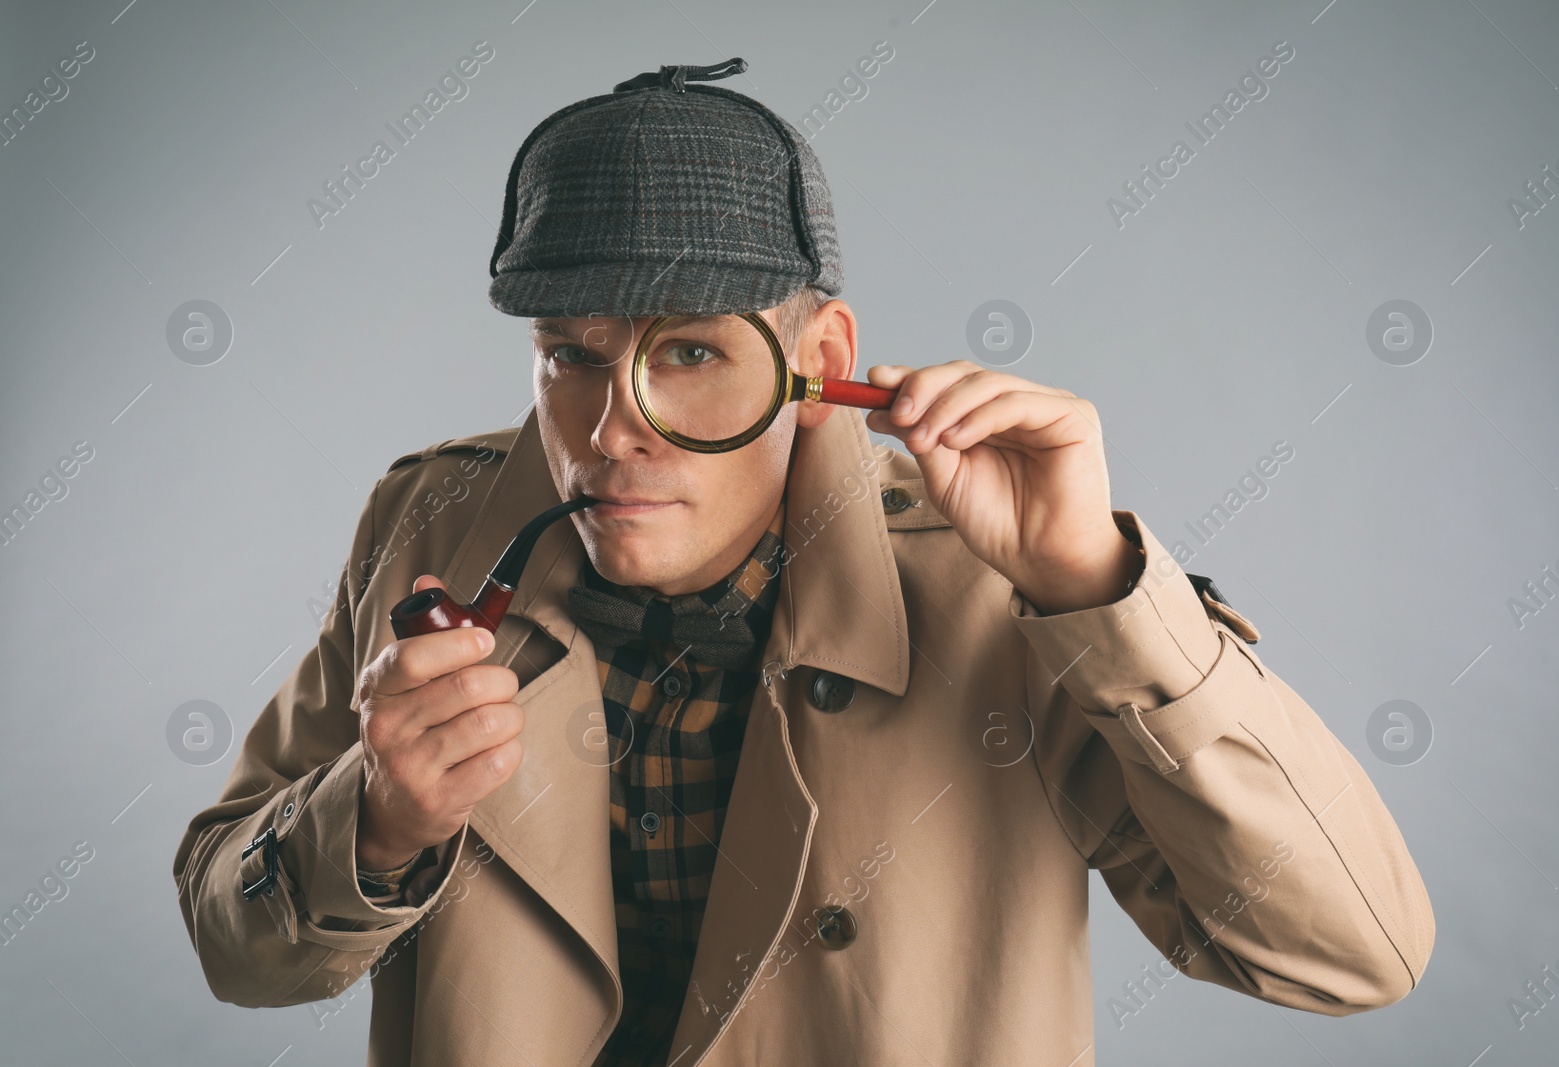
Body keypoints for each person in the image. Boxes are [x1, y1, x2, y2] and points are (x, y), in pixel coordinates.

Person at [173, 58, 1433, 1067]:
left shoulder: (999, 586)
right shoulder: (433, 526)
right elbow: (236, 945)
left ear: (818, 360)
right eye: (569, 355)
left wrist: (1102, 592)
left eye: (689, 354)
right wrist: (376, 822)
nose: (609, 433)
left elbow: (1350, 953)